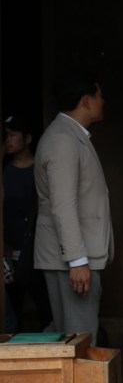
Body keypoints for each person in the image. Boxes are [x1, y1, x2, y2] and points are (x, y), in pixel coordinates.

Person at [33, 68, 113, 343]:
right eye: (99, 95)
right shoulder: (63, 140)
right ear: (86, 100)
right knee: (79, 340)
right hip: (70, 259)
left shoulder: (70, 135)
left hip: (71, 256)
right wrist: (77, 260)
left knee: (70, 335)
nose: (103, 101)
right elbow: (63, 205)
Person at [2, 114, 51, 331]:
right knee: (12, 314)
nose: (8, 140)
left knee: (45, 309)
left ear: (28, 138)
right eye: (6, 136)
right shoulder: (4, 170)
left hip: (36, 252)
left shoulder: (39, 169)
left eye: (13, 135)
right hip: (9, 254)